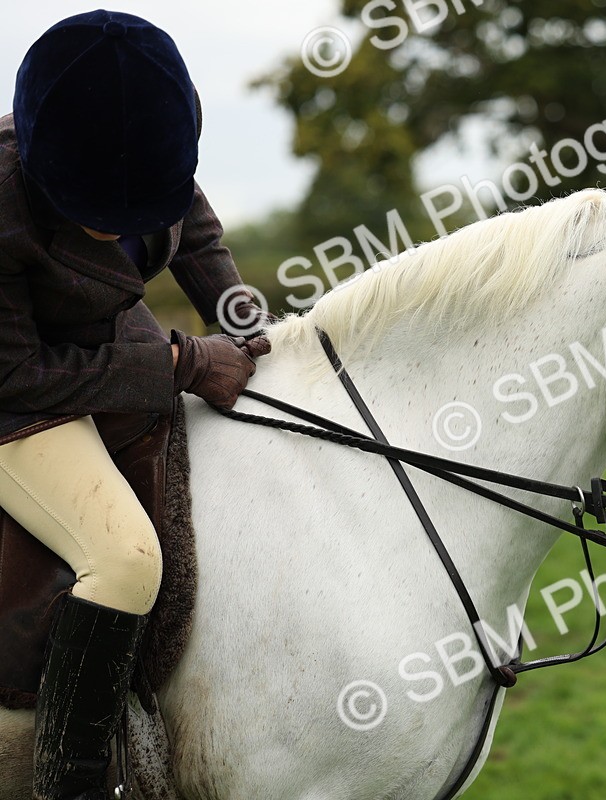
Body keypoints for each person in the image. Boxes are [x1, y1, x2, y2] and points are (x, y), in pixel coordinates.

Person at [0, 11, 270, 799]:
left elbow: (194, 235)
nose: (113, 225)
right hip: (15, 388)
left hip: (101, 340)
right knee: (125, 556)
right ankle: (72, 781)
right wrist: (183, 362)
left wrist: (251, 329)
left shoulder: (148, 151)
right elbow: (20, 375)